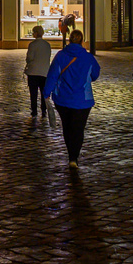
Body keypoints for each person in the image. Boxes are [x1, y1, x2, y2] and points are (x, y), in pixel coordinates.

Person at [47, 28, 101, 169]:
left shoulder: (60, 56)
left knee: (67, 126)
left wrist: (46, 93)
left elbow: (52, 75)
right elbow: (95, 74)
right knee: (78, 128)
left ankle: (71, 153)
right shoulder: (88, 57)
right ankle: (74, 157)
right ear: (82, 41)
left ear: (69, 40)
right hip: (83, 99)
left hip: (62, 98)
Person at [24, 24, 52, 119]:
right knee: (44, 92)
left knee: (33, 93)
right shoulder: (47, 45)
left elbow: (29, 58)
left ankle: (34, 111)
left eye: (33, 32)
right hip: (44, 72)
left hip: (33, 72)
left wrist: (28, 61)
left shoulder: (32, 44)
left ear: (36, 33)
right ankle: (44, 110)